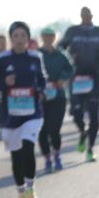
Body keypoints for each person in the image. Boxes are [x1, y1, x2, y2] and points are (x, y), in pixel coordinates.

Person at [0, 22, 47, 198]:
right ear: (11, 38)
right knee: (16, 156)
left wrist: (40, 90)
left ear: (28, 38)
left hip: (32, 113)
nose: (19, 39)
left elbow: (42, 80)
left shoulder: (35, 58)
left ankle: (30, 189)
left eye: (23, 35)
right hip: (10, 115)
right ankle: (21, 194)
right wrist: (5, 82)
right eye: (16, 36)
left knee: (28, 147)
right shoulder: (3, 60)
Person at [57, 7, 99, 163]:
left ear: (92, 16)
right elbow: (60, 48)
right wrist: (68, 56)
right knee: (76, 112)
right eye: (83, 15)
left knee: (94, 115)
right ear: (80, 16)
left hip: (93, 76)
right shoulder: (73, 31)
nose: (86, 17)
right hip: (76, 77)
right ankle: (82, 131)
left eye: (88, 15)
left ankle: (90, 149)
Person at [37, 27, 74, 173]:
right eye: (45, 36)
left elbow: (71, 68)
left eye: (50, 36)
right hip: (41, 97)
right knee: (42, 130)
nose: (48, 38)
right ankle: (47, 158)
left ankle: (57, 156)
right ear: (42, 37)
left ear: (54, 37)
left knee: (54, 129)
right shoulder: (37, 55)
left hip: (58, 96)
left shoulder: (61, 54)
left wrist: (62, 78)